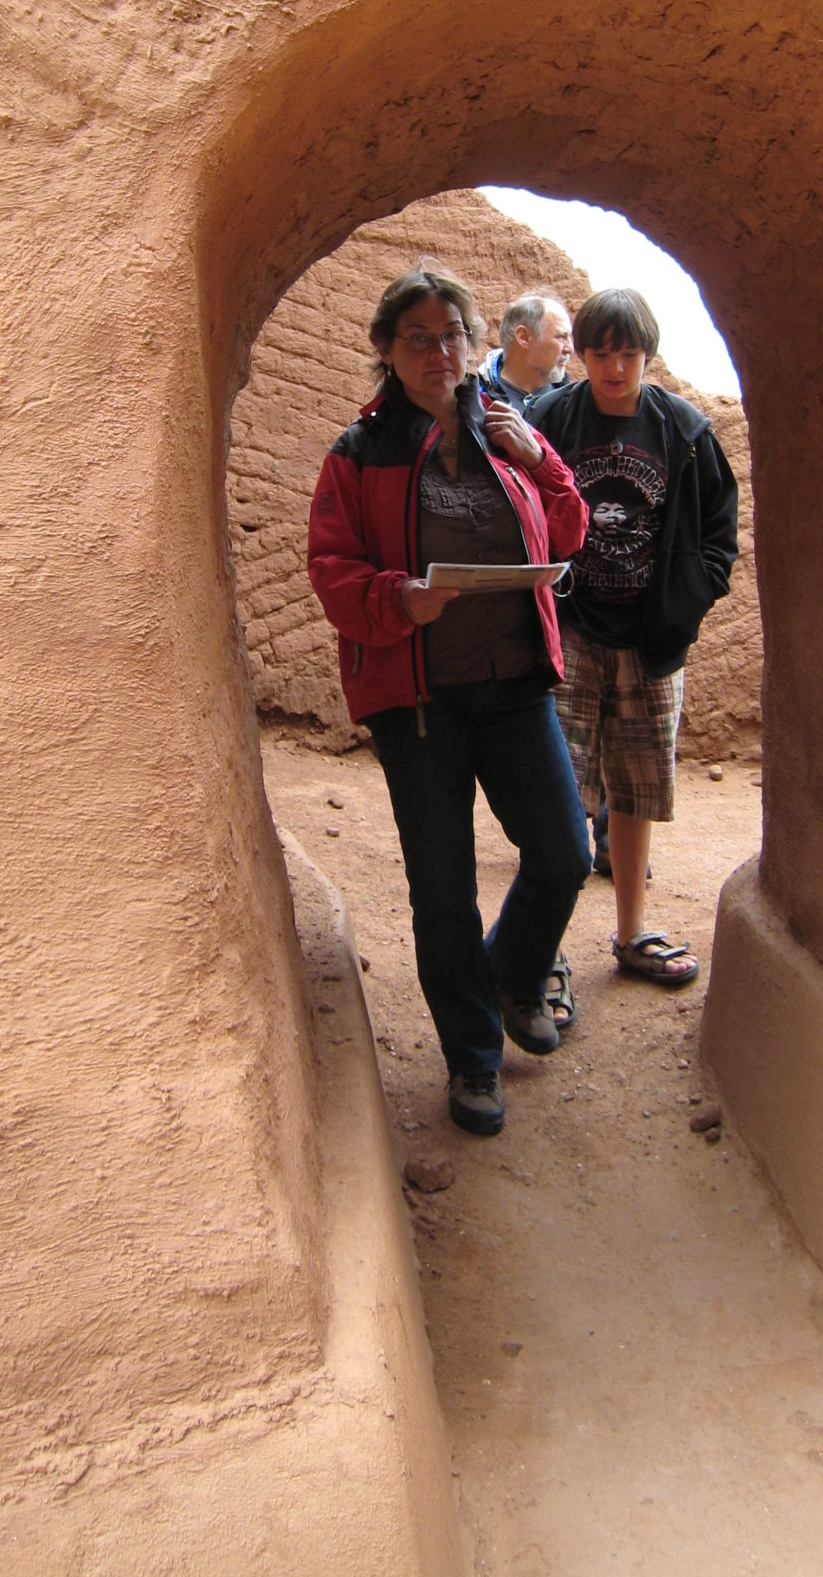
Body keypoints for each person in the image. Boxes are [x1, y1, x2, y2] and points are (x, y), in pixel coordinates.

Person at [307, 263, 591, 1137]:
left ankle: (511, 973)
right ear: (387, 351)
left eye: (453, 334)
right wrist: (400, 598)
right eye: (419, 337)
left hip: (512, 685)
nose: (440, 351)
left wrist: (540, 461)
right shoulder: (359, 454)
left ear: (476, 344)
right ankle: (472, 1058)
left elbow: (570, 529)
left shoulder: (509, 431)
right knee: (443, 888)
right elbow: (332, 569)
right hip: (419, 701)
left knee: (564, 850)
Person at [531, 287, 739, 1009]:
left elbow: (719, 533)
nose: (615, 366)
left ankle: (629, 934)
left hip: (651, 641)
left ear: (646, 353)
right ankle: (545, 952)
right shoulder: (552, 417)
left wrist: (688, 600)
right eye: (600, 352)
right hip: (573, 632)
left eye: (629, 352)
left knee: (635, 789)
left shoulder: (683, 431)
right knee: (562, 791)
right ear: (579, 354)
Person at [477, 291, 574, 411]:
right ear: (523, 337)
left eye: (570, 337)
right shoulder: (475, 400)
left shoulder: (573, 404)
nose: (570, 349)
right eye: (561, 337)